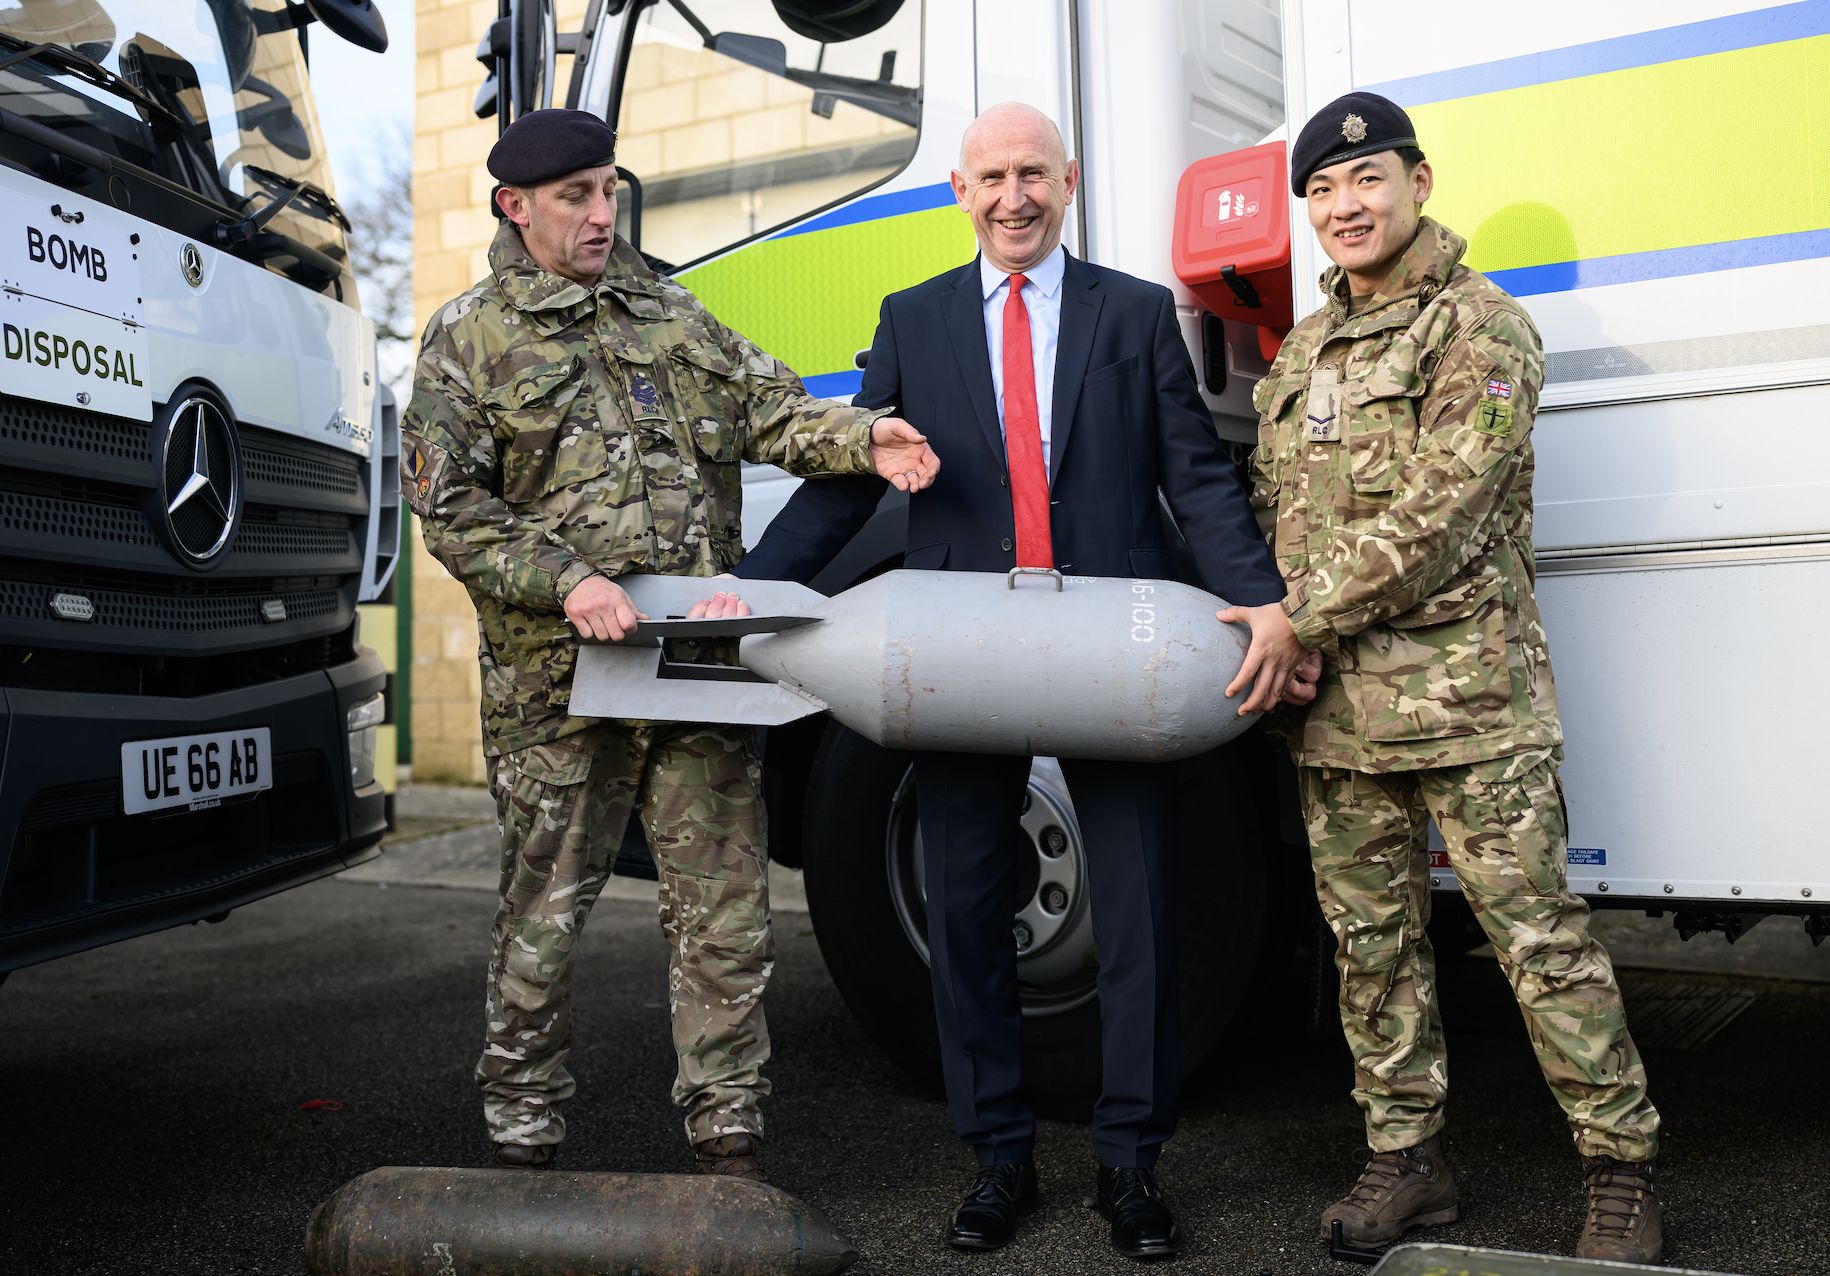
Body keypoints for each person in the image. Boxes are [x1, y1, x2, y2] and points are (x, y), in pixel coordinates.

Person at [734, 102, 1305, 1259]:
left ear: (1070, 180)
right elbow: (853, 483)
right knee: (969, 911)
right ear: (959, 189)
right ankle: (997, 1157)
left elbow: (1195, 480)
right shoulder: (914, 321)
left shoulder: (1136, 315)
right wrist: (748, 591)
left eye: (1033, 174)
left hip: (1112, 653)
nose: (1014, 197)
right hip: (961, 657)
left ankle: (1131, 1166)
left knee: (1140, 918)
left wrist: (1263, 601)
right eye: (991, 176)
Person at [399, 108, 940, 1183]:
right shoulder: (469, 337)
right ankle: (522, 1130)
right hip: (563, 686)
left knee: (725, 911)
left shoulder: (672, 317)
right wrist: (571, 581)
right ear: (516, 206)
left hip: (697, 675)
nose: (604, 214)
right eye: (576, 197)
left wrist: (861, 436)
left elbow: (776, 409)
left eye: (609, 189)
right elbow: (449, 508)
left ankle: (728, 1131)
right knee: (544, 911)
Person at [1249, 92, 1664, 1263]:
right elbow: (1273, 510)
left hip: (1470, 703)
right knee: (1371, 949)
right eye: (1322, 191)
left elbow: (1443, 512)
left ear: (1418, 184)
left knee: (1540, 942)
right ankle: (1406, 1158)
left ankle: (1621, 1166)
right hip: (1337, 718)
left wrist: (1296, 616)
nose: (1344, 205)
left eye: (1365, 180)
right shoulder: (1305, 348)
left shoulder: (1484, 331)